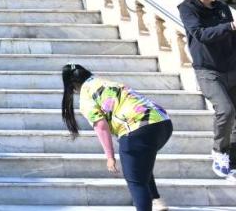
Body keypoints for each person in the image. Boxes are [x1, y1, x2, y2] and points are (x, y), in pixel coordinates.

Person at [61, 63, 172, 211]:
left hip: (136, 129)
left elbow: (101, 126)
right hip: (162, 122)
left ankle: (150, 204)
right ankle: (156, 200)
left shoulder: (86, 96)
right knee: (140, 163)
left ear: (72, 85)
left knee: (135, 181)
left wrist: (110, 157)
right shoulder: (105, 82)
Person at [177, 0, 236, 180]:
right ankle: (219, 152)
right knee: (226, 111)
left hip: (232, 66)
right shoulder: (187, 8)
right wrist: (230, 26)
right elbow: (200, 34)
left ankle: (233, 161)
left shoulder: (221, 7)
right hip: (208, 71)